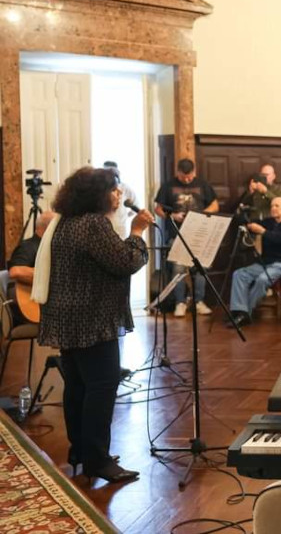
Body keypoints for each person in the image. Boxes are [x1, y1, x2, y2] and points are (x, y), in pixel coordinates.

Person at [36, 166, 154, 482]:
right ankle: (98, 461)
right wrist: (138, 232)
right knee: (101, 388)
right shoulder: (93, 225)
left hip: (68, 316)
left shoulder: (65, 222)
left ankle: (82, 451)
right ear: (97, 194)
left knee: (78, 387)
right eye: (114, 189)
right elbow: (125, 262)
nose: (119, 194)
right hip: (91, 319)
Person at [154, 158, 219, 318]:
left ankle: (199, 301)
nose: (187, 180)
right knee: (178, 269)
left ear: (194, 172)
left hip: (199, 233)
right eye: (184, 178)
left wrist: (201, 214)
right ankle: (180, 303)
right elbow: (158, 209)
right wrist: (173, 216)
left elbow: (215, 205)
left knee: (200, 269)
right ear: (178, 172)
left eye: (190, 177)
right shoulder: (168, 186)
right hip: (177, 234)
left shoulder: (203, 184)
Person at [227, 197, 281, 328]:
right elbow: (248, 223)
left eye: (277, 206)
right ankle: (239, 310)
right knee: (239, 274)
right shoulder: (268, 222)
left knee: (262, 279)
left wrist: (263, 232)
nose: (273, 208)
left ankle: (245, 314)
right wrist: (242, 216)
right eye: (272, 206)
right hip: (265, 263)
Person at [102, 161, 137, 239]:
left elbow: (135, 204)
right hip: (104, 226)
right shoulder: (100, 189)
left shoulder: (125, 187)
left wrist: (125, 216)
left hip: (120, 227)